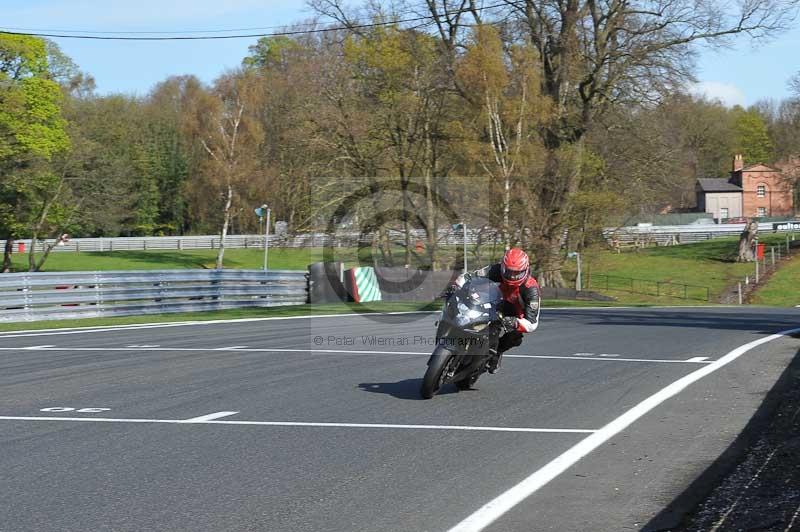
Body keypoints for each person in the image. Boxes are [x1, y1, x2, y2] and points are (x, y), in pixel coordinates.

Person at [454, 248, 541, 373]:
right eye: (508, 272)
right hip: (494, 301)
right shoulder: (495, 269)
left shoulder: (531, 289)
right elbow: (470, 276)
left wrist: (515, 322)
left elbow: (532, 323)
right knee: (466, 306)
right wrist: (458, 285)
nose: (511, 276)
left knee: (515, 336)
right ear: (503, 267)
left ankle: (497, 352)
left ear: (526, 270)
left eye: (516, 273)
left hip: (515, 312)